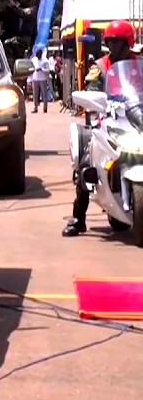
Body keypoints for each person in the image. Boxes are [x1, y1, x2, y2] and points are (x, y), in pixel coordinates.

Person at [65, 20, 140, 237]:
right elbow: (92, 87)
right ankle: (78, 218)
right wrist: (95, 98)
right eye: (111, 43)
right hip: (108, 116)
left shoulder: (139, 63)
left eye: (119, 43)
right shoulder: (99, 66)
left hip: (136, 117)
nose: (115, 47)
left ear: (129, 43)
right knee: (87, 162)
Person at [29, 49, 54, 114]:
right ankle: (35, 108)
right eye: (37, 55)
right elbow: (30, 67)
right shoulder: (34, 60)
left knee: (44, 94)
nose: (38, 56)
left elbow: (48, 70)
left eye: (39, 55)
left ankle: (45, 108)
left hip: (43, 79)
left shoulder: (45, 61)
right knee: (35, 94)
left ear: (41, 54)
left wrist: (41, 69)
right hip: (35, 78)